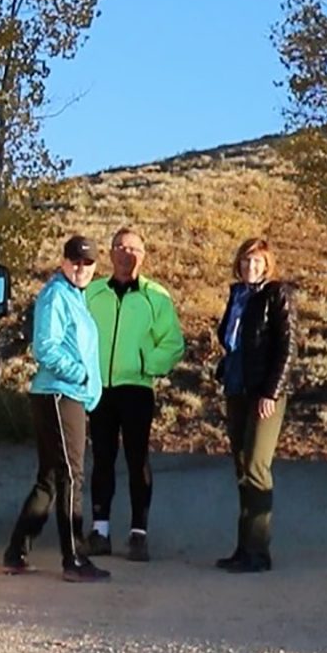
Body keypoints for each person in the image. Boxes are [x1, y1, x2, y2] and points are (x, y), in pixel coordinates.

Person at [2, 235, 111, 583]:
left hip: (69, 396)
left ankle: (17, 552)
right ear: (63, 262)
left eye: (88, 263)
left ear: (95, 267)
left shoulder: (75, 297)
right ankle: (74, 559)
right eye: (75, 261)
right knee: (69, 475)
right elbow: (46, 347)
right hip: (59, 394)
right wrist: (79, 374)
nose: (81, 268)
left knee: (50, 478)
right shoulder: (55, 296)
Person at [83, 228, 186, 563]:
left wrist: (147, 364)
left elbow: (172, 344)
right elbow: (77, 332)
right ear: (110, 254)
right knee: (101, 458)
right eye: (120, 248)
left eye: (134, 249)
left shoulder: (156, 296)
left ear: (144, 254)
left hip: (137, 389)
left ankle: (138, 533)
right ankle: (100, 531)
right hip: (100, 388)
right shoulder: (93, 293)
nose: (126, 254)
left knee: (137, 458)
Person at [213, 237, 296, 574]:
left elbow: (287, 348)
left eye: (258, 262)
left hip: (264, 393)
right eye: (246, 261)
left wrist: (271, 393)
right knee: (241, 466)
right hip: (236, 388)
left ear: (267, 265)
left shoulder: (276, 294)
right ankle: (244, 547)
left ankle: (259, 552)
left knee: (256, 467)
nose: (251, 267)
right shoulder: (237, 296)